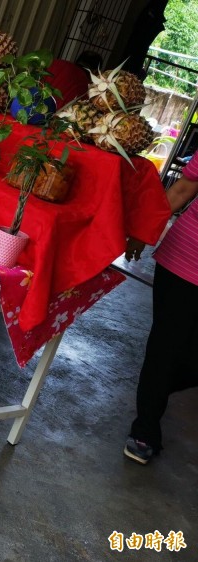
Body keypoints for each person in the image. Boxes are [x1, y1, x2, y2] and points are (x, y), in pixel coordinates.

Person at [123, 154, 198, 465]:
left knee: (179, 361)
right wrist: (143, 230)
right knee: (164, 351)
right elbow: (182, 190)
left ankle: (156, 386)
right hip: (185, 264)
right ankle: (145, 429)